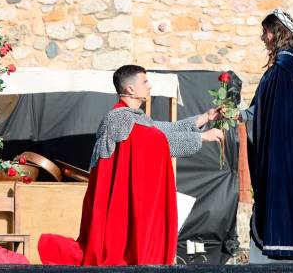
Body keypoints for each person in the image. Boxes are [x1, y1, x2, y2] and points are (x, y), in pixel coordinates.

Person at [37, 64, 225, 266]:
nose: (149, 86)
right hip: (118, 203)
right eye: (144, 82)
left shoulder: (135, 118)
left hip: (127, 198)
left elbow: (163, 130)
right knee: (112, 257)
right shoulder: (118, 120)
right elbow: (158, 141)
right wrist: (202, 138)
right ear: (130, 89)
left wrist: (204, 118)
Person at [240, 9, 293, 262]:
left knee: (286, 199)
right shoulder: (279, 69)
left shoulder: (284, 70)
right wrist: (245, 116)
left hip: (286, 155)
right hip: (284, 152)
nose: (262, 38)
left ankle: (288, 247)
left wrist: (253, 120)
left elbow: (281, 118)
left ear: (276, 33)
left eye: (265, 31)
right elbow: (266, 109)